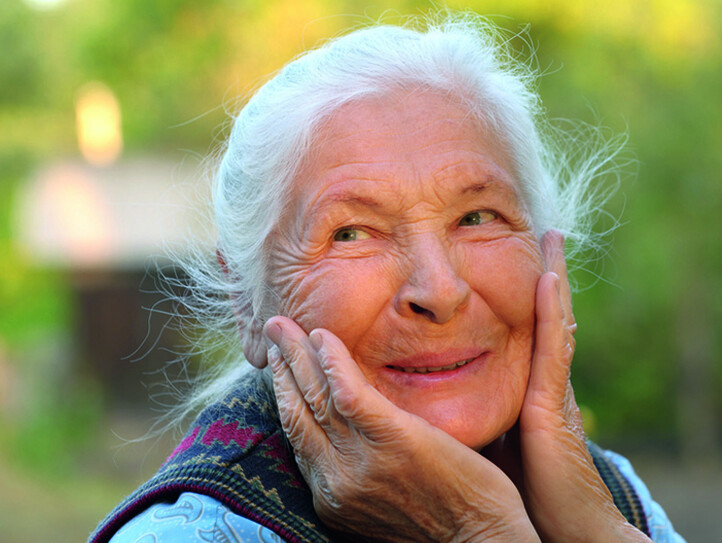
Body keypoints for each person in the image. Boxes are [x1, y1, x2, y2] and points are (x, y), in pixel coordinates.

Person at [90, 13, 685, 543]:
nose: (440, 291)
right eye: (352, 233)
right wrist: (477, 526)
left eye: (477, 218)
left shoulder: (611, 494)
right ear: (246, 303)